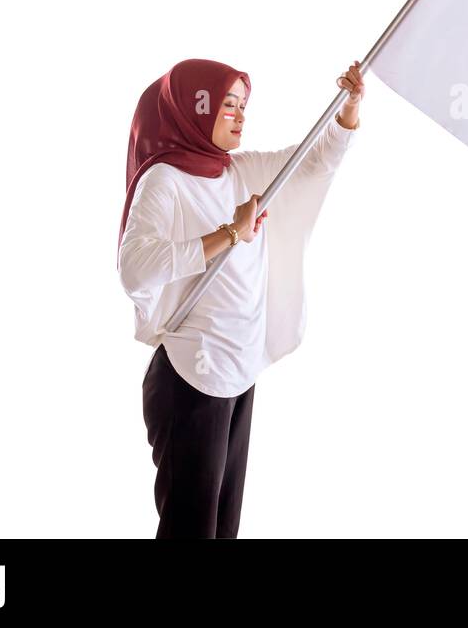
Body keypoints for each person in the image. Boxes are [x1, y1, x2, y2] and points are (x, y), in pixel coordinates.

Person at [117, 57, 364, 538]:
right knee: (191, 531)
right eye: (227, 104)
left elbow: (314, 161)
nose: (240, 114)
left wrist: (349, 107)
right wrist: (230, 232)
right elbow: (135, 267)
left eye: (243, 104)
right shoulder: (164, 180)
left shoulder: (239, 171)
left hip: (236, 373)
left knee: (221, 532)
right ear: (195, 109)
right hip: (191, 378)